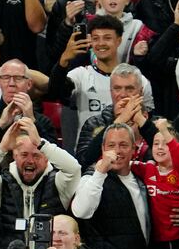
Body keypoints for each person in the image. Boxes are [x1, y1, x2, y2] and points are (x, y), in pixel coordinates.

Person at [0, 117, 80, 249]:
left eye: (36, 155)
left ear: (46, 157)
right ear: (14, 155)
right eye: (24, 154)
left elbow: (74, 169)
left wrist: (42, 144)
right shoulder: (2, 185)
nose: (30, 161)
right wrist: (1, 148)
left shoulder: (58, 184)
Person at [47, 15, 154, 151]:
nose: (101, 43)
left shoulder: (139, 80)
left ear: (119, 40)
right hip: (89, 156)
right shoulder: (81, 75)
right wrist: (63, 61)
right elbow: (54, 91)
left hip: (128, 156)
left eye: (107, 38)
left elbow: (148, 121)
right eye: (96, 38)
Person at [72, 123, 149, 249]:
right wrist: (100, 172)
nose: (117, 151)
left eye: (123, 145)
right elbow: (81, 211)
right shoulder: (91, 178)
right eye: (111, 145)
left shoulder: (142, 177)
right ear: (103, 149)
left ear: (133, 149)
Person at [130, 118, 179, 249]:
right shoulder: (148, 169)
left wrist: (165, 130)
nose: (160, 147)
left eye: (166, 144)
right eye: (156, 143)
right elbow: (122, 162)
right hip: (155, 241)